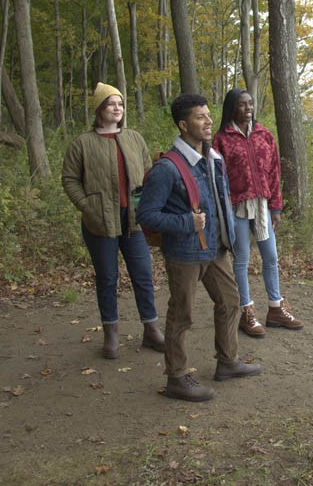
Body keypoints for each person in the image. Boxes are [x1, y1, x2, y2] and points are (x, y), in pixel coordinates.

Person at [136, 93, 262, 402]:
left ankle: (228, 361)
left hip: (215, 250)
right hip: (184, 254)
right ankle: (177, 378)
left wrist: (230, 239)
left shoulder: (213, 157)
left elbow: (221, 202)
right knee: (182, 316)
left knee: (231, 301)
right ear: (183, 125)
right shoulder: (168, 168)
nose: (207, 122)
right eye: (199, 117)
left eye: (208, 115)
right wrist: (184, 222)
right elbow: (146, 215)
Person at [61, 82, 164, 359]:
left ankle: (151, 329)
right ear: (99, 108)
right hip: (99, 221)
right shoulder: (82, 143)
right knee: (107, 278)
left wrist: (149, 206)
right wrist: (86, 206)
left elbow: (148, 173)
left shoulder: (133, 138)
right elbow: (69, 179)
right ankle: (111, 335)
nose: (117, 108)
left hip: (134, 220)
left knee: (143, 275)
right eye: (111, 103)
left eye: (120, 104)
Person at [212, 88, 303, 337]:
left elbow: (274, 173)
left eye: (250, 103)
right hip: (237, 206)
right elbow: (218, 179)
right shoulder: (222, 139)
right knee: (241, 258)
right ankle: (246, 312)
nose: (248, 108)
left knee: (270, 256)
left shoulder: (265, 135)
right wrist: (225, 210)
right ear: (232, 108)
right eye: (242, 104)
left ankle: (275, 308)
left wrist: (276, 207)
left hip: (262, 205)